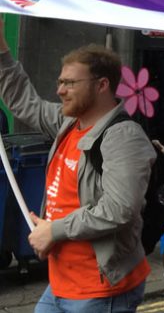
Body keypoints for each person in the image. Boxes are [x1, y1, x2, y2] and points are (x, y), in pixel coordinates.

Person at [0, 32, 155, 312]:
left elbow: (119, 208)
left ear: (102, 85)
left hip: (100, 290)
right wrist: (1, 51)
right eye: (60, 82)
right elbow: (23, 100)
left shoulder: (123, 137)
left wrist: (54, 231)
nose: (60, 90)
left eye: (70, 83)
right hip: (60, 283)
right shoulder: (68, 122)